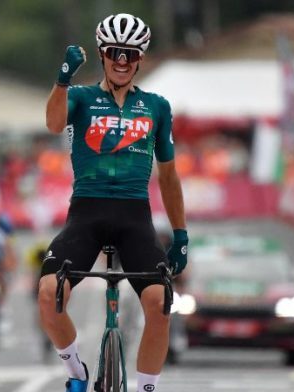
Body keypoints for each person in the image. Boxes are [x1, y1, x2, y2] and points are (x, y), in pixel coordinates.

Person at [39, 13, 188, 392]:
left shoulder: (157, 106)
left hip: (135, 216)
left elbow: (168, 176)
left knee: (161, 304)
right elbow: (54, 124)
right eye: (115, 52)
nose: (122, 60)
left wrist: (181, 234)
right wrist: (62, 79)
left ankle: (146, 388)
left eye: (131, 54)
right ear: (103, 54)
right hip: (86, 213)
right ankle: (75, 370)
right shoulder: (80, 98)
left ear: (140, 59)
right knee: (47, 295)